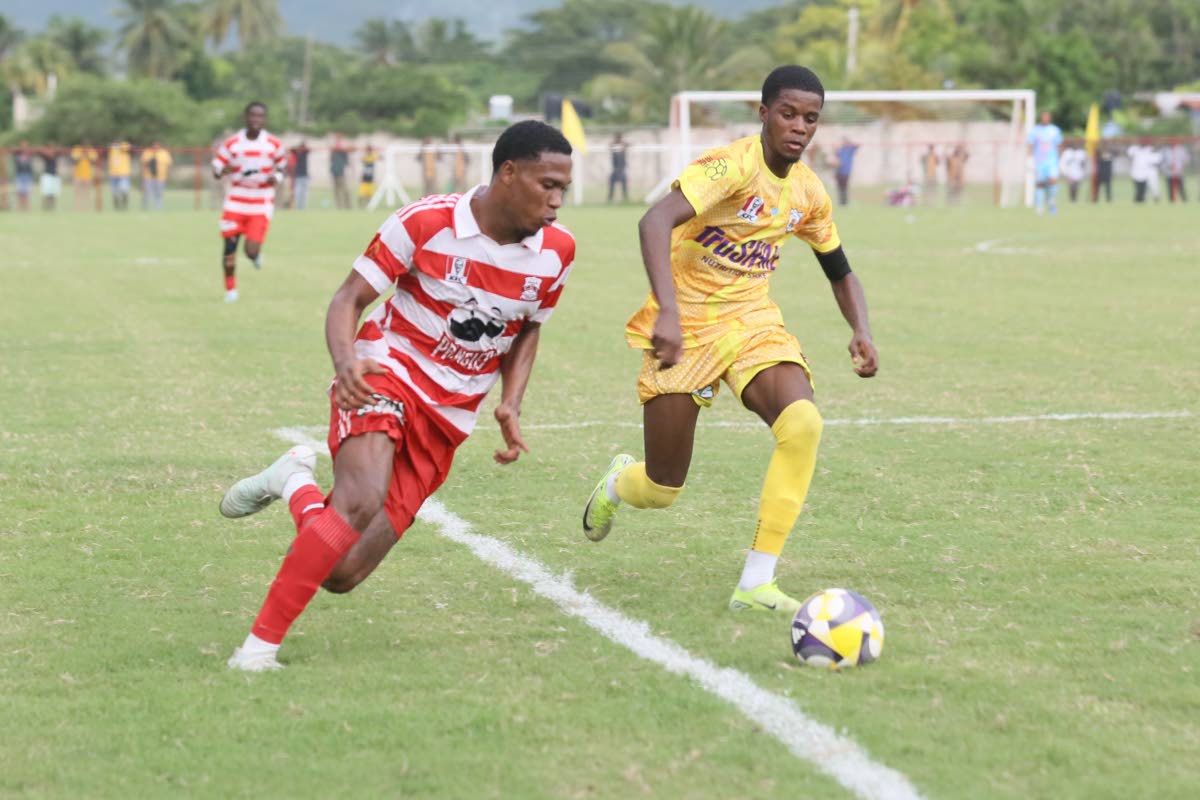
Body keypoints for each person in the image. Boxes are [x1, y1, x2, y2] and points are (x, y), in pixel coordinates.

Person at [218, 120, 576, 671]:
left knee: (342, 573)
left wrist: (511, 401)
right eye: (546, 185)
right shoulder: (427, 221)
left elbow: (529, 328)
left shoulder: (557, 252)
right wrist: (347, 364)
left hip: (449, 416)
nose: (555, 203)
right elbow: (348, 298)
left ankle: (293, 481)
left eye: (563, 191)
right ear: (509, 173)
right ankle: (257, 650)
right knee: (359, 498)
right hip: (387, 370)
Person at [580, 65, 878, 615]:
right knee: (664, 487)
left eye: (810, 118)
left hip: (750, 322)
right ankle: (619, 484)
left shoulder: (808, 192)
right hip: (684, 327)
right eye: (788, 113)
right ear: (763, 113)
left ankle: (757, 580)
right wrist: (667, 311)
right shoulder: (729, 167)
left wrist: (860, 329)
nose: (799, 126)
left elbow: (839, 267)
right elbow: (653, 221)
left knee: (803, 423)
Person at [211, 101, 286, 302]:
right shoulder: (233, 143)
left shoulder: (273, 144)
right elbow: (217, 166)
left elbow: (281, 166)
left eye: (260, 116)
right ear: (246, 117)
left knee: (250, 251)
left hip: (261, 202)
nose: (255, 120)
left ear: (265, 119)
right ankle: (230, 290)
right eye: (252, 115)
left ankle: (255, 256)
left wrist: (276, 178)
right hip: (235, 201)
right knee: (229, 248)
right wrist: (220, 172)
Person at [1027, 110, 1062, 215]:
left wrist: (1061, 160)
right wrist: (1029, 160)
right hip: (1040, 161)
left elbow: (1059, 145)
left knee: (1053, 181)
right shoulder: (1035, 131)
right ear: (1040, 118)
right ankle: (1039, 207)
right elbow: (1030, 145)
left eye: (1047, 117)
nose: (1045, 118)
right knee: (1040, 184)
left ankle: (1051, 202)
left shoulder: (1055, 130)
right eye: (1044, 117)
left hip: (1052, 161)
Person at [140, 141, 172, 211]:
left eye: (157, 146)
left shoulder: (164, 153)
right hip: (148, 177)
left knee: (159, 193)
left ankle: (158, 208)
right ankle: (144, 208)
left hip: (161, 177)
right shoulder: (147, 152)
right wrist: (142, 176)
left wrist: (168, 175)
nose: (156, 147)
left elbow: (169, 165)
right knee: (146, 193)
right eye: (154, 145)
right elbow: (143, 165)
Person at [70, 142, 99, 212]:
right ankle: (78, 208)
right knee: (78, 193)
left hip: (88, 175)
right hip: (78, 175)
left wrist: (87, 154)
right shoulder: (77, 150)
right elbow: (74, 160)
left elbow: (94, 160)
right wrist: (82, 154)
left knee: (87, 193)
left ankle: (87, 208)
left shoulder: (91, 150)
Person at [107, 139, 132, 211]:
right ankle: (117, 207)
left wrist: (119, 146)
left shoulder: (124, 148)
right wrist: (113, 146)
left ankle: (125, 205)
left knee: (124, 190)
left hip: (123, 174)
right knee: (114, 193)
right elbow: (108, 147)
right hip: (113, 174)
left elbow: (127, 148)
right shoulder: (112, 150)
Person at [833, 137, 859, 206]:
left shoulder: (850, 149)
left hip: (846, 171)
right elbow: (835, 160)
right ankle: (841, 201)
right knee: (839, 187)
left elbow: (857, 145)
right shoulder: (839, 150)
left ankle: (845, 202)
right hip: (838, 171)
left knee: (845, 187)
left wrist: (849, 143)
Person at [330, 135, 351, 209]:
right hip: (334, 172)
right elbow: (331, 160)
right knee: (336, 190)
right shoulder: (333, 151)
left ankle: (347, 205)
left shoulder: (343, 152)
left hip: (341, 173)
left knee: (345, 189)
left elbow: (347, 162)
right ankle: (339, 206)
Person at [12, 141, 34, 211]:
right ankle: (20, 206)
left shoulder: (29, 154)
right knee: (19, 191)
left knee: (26, 191)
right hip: (19, 174)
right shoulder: (17, 154)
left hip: (27, 174)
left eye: (25, 145)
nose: (24, 147)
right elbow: (12, 149)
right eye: (22, 145)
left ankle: (26, 206)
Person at [608, 132, 629, 203]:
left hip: (622, 169)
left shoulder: (623, 145)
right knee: (611, 184)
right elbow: (610, 145)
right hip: (615, 169)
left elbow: (628, 144)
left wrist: (624, 145)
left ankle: (625, 198)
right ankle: (610, 199)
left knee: (624, 184)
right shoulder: (614, 146)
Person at [290, 140, 310, 210]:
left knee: (304, 193)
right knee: (297, 192)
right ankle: (298, 207)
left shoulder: (305, 152)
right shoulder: (295, 152)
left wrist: (302, 148)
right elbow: (291, 149)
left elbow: (308, 149)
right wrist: (298, 148)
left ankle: (302, 208)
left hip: (304, 175)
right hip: (297, 175)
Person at [358, 143, 378, 208]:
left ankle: (368, 205)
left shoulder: (372, 156)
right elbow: (363, 159)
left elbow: (379, 157)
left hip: (370, 179)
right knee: (362, 194)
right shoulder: (366, 157)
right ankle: (362, 205)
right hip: (364, 178)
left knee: (370, 194)